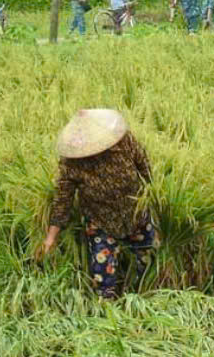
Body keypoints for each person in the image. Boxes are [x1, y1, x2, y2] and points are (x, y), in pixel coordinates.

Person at [37, 109, 157, 300]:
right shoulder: (72, 162)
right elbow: (63, 200)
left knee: (147, 261)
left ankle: (146, 297)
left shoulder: (123, 141)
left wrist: (154, 198)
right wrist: (51, 237)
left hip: (135, 213)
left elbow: (144, 166)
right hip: (100, 221)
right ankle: (108, 313)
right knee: (103, 274)